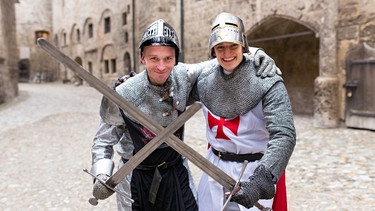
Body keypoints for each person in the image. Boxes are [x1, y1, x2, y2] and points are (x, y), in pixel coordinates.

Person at [90, 19, 280, 211]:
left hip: (176, 172)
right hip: (135, 178)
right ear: (142, 58)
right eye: (154, 58)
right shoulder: (122, 93)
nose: (161, 66)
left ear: (176, 58)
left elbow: (227, 58)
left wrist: (255, 53)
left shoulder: (185, 77)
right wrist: (102, 175)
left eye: (168, 59)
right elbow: (103, 141)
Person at [190, 12, 296, 211]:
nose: (227, 53)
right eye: (220, 47)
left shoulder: (266, 78)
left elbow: (285, 134)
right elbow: (170, 82)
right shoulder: (203, 78)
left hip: (253, 170)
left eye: (233, 46)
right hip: (214, 167)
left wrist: (261, 180)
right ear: (213, 50)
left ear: (243, 46)